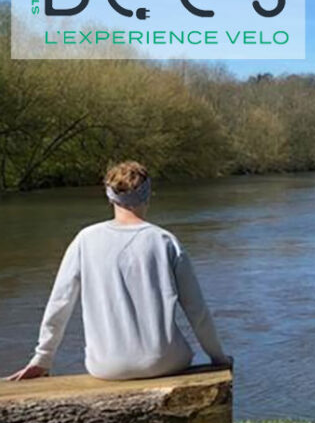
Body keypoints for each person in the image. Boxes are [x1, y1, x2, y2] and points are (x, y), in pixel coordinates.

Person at [6, 161, 232, 381]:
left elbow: (60, 303)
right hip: (164, 362)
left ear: (110, 197)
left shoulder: (85, 239)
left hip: (107, 368)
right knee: (180, 348)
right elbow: (197, 310)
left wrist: (43, 358)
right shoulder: (165, 241)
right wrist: (218, 357)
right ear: (148, 195)